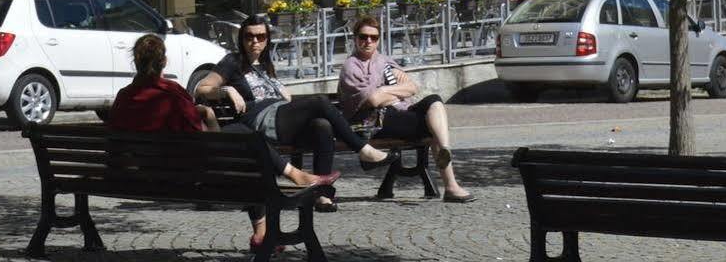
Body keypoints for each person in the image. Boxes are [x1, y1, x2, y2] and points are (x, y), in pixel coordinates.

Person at [110, 32, 338, 252]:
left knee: (244, 148)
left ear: (136, 62)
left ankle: (266, 224)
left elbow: (118, 142)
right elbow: (197, 141)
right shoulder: (171, 94)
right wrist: (208, 116)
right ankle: (293, 177)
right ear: (165, 61)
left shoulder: (124, 96)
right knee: (244, 141)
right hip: (183, 176)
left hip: (141, 175)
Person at [195, 14, 390, 211]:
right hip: (260, 119)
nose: (255, 41)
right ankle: (363, 150)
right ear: (242, 39)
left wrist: (283, 95)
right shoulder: (233, 61)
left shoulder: (265, 64)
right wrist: (226, 90)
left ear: (267, 39)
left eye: (260, 36)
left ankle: (321, 195)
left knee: (322, 125)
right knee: (319, 102)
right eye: (249, 36)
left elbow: (281, 98)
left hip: (280, 117)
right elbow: (201, 88)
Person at [336, 17, 472, 203]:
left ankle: (445, 150)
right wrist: (388, 92)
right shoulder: (351, 67)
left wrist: (384, 92)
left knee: (434, 101)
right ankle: (451, 186)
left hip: (397, 112)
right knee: (431, 125)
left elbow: (411, 87)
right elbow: (373, 100)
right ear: (355, 38)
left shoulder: (384, 61)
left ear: (378, 40)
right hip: (375, 121)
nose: (368, 41)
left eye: (373, 38)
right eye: (363, 36)